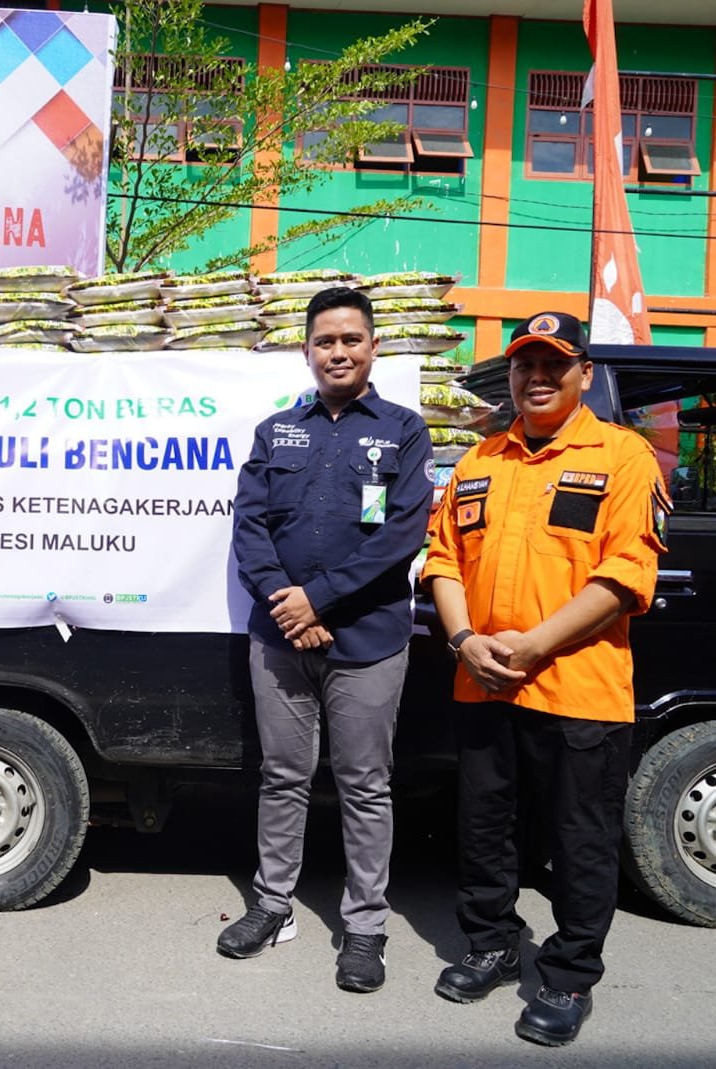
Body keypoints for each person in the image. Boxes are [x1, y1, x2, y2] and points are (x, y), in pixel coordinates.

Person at [422, 312, 667, 1047]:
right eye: (524, 365)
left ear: (583, 374)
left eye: (553, 365)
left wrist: (531, 646)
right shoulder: (480, 459)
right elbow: (442, 559)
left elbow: (626, 575)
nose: (536, 378)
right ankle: (492, 944)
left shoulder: (623, 456)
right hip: (483, 681)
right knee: (484, 826)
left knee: (579, 837)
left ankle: (568, 975)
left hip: (578, 687)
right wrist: (464, 640)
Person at [218, 287, 433, 993]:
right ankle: (272, 906)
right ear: (306, 350)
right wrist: (291, 607)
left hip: (368, 641)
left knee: (365, 785)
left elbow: (401, 535)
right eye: (324, 341)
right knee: (282, 776)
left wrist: (319, 598)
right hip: (281, 638)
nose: (338, 352)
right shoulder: (276, 431)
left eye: (351, 339)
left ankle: (365, 927)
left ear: (373, 347)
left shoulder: (403, 430)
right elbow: (250, 527)